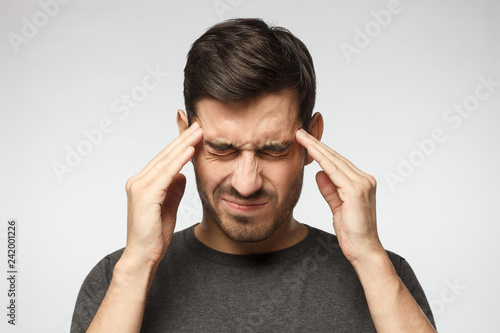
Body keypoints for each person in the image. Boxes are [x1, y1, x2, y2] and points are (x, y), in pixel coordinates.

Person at [71, 18, 437, 332]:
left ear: (313, 141)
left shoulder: (385, 275)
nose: (246, 184)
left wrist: (370, 258)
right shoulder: (115, 279)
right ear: (186, 137)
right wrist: (137, 264)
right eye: (222, 148)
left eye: (273, 150)